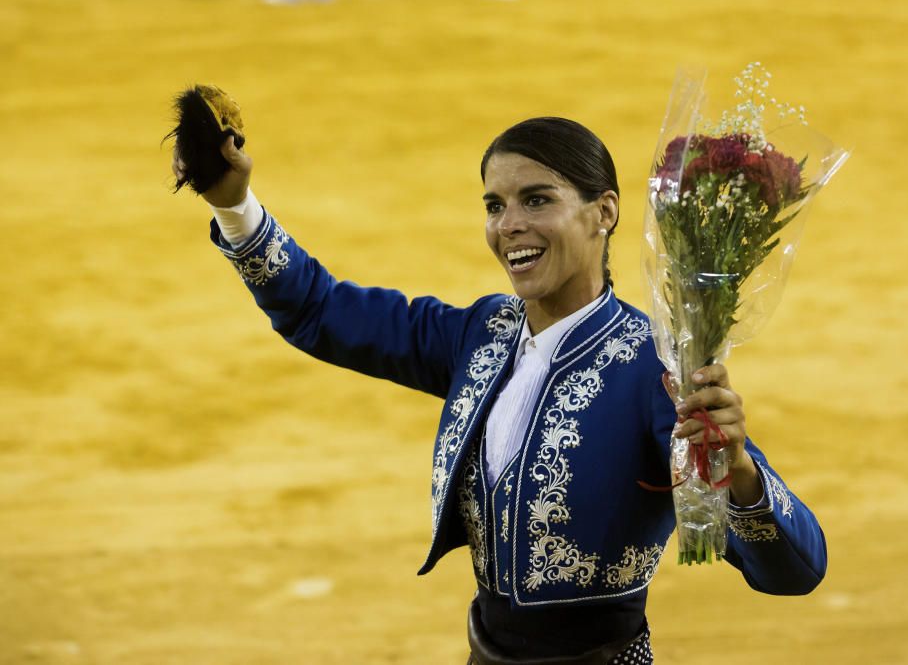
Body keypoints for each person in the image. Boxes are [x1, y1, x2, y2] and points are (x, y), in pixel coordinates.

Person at [172, 117, 827, 664]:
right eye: (494, 205)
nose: (508, 224)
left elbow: (796, 569)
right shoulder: (481, 333)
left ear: (605, 211)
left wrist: (738, 470)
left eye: (536, 199)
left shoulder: (656, 369)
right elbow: (322, 312)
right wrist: (233, 202)